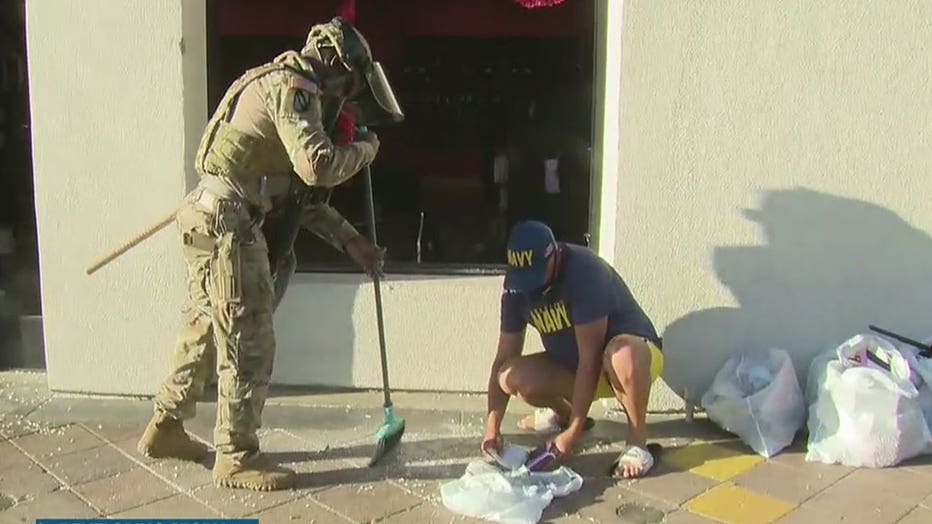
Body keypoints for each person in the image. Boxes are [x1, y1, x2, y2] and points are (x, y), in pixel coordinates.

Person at [135, 17, 402, 491]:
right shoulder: (293, 87)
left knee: (204, 328)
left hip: (211, 214)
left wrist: (351, 242)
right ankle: (236, 457)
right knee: (248, 341)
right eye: (351, 84)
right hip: (229, 224)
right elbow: (317, 167)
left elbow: (298, 195)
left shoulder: (283, 87)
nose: (347, 95)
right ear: (336, 65)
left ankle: (166, 427)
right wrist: (365, 150)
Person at [481, 220, 664, 478]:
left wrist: (571, 436)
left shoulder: (585, 271)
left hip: (630, 362)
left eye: (536, 273)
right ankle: (564, 415)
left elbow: (590, 360)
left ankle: (637, 443)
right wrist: (492, 430)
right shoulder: (516, 287)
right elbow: (503, 357)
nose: (530, 285)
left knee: (621, 353)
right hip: (576, 369)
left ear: (554, 256)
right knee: (509, 375)